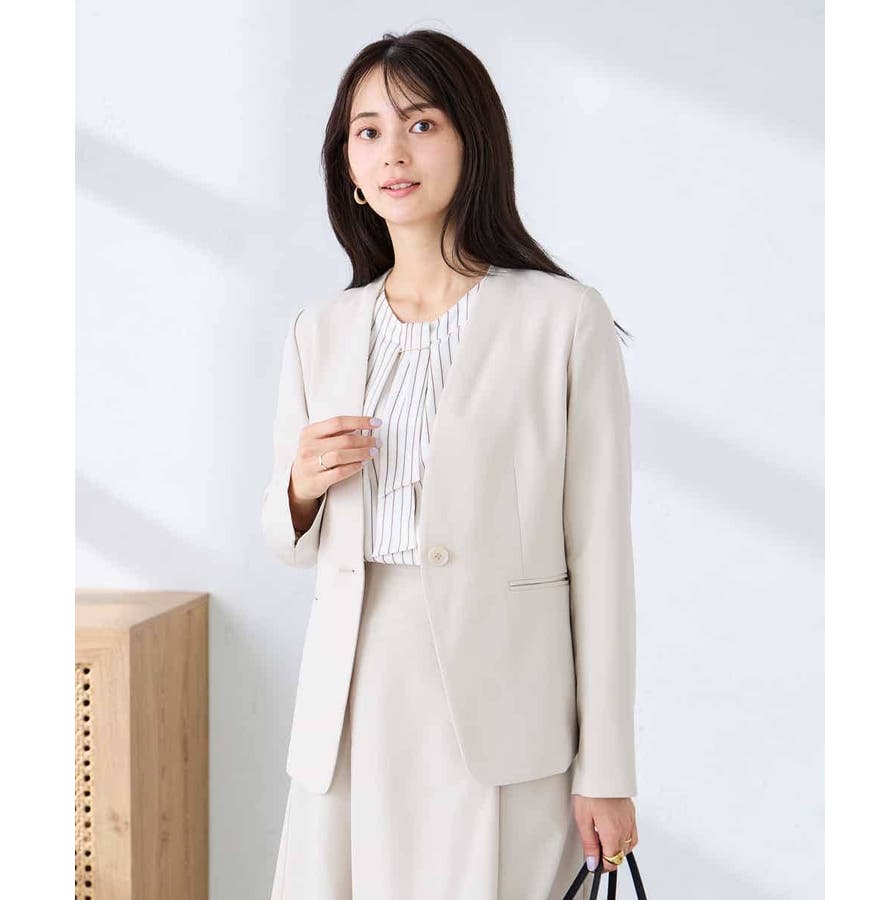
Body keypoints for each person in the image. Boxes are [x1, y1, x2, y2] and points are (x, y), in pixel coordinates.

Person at [262, 28, 639, 900]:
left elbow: (602, 557)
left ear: (474, 141)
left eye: (421, 124)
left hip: (504, 713)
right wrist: (300, 489)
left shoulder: (563, 319)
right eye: (368, 131)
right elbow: (285, 543)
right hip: (353, 703)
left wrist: (607, 768)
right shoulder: (321, 329)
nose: (393, 152)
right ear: (348, 166)